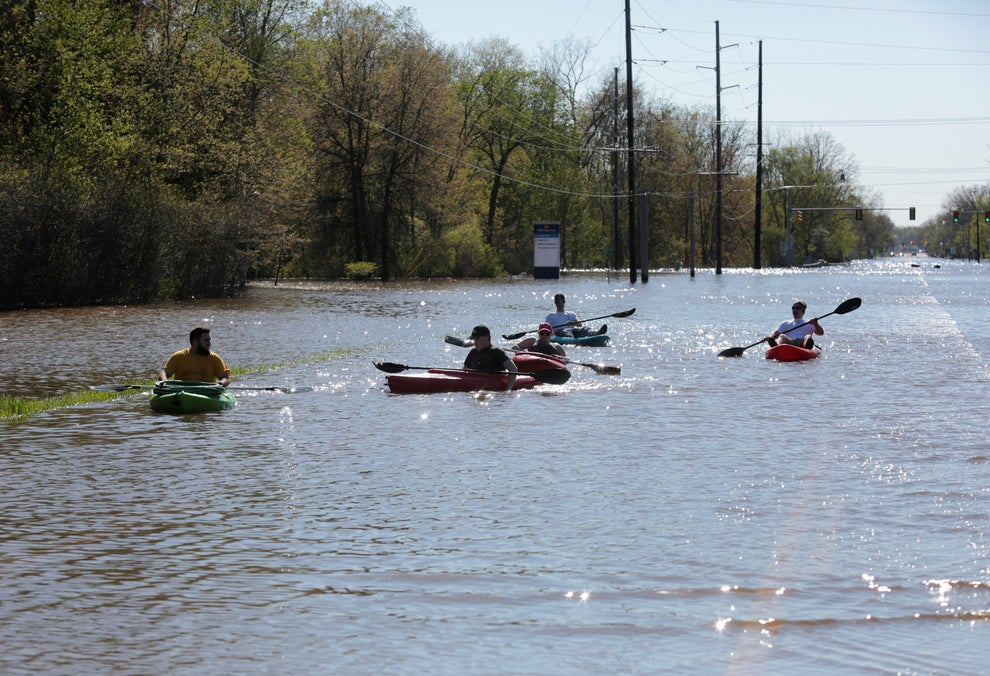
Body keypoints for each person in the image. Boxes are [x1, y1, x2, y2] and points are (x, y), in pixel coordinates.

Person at [158, 326, 231, 385]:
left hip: (208, 393)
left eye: (209, 340)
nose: (209, 343)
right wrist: (165, 381)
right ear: (195, 342)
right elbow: (164, 373)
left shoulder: (215, 358)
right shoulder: (178, 356)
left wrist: (221, 383)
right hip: (181, 392)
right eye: (206, 340)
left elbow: (225, 378)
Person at [463, 325, 517, 390]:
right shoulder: (473, 352)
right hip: (476, 386)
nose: (475, 342)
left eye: (477, 339)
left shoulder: (497, 352)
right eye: (473, 339)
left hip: (493, 386)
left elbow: (513, 369)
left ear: (487, 337)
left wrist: (508, 390)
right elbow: (464, 372)